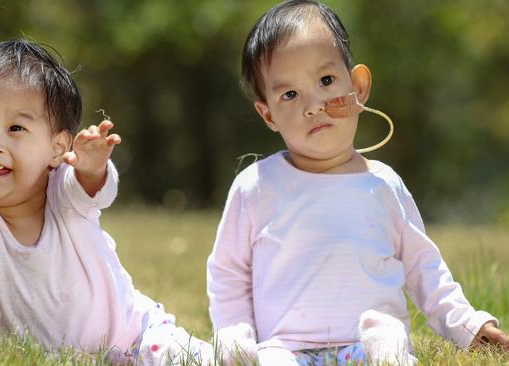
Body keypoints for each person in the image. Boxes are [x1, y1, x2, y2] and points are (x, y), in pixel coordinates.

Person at [206, 1, 509, 365]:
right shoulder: (256, 187)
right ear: (268, 113)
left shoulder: (382, 185)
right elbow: (228, 272)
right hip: (285, 347)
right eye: (289, 94)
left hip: (368, 343)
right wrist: (233, 332)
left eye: (326, 81)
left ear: (359, 87)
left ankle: (387, 352)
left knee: (388, 344)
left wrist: (466, 324)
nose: (313, 104)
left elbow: (423, 267)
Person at [0, 39, 212, 365]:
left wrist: (92, 168)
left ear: (57, 147)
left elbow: (91, 190)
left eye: (16, 127)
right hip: (66, 359)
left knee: (180, 357)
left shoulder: (62, 190)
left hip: (135, 335)